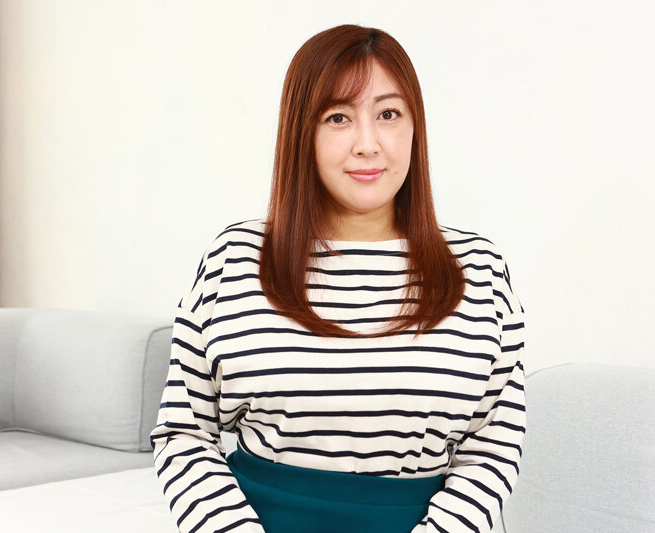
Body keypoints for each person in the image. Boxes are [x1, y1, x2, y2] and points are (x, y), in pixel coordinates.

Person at [150, 23, 526, 533]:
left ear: (415, 127)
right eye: (338, 117)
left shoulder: (479, 267)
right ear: (301, 133)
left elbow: (492, 448)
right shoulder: (234, 259)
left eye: (388, 114)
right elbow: (183, 434)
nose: (368, 144)